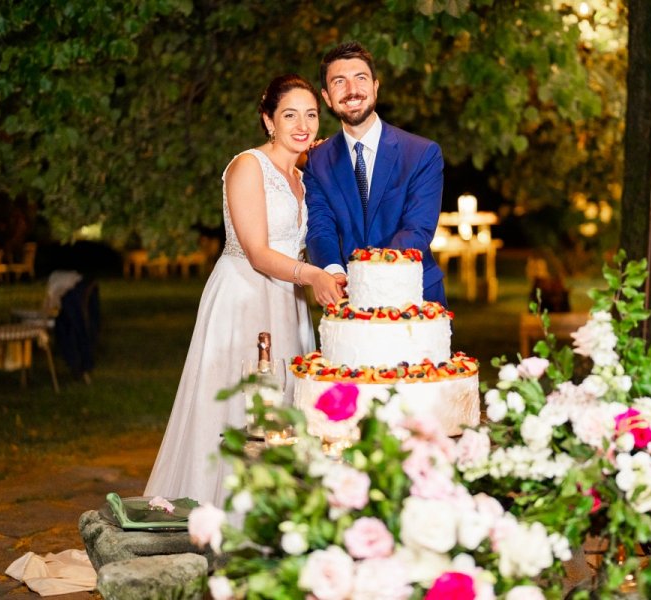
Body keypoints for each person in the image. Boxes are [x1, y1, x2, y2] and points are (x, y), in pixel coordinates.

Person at [144, 74, 344, 506]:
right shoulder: (247, 166)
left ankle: (269, 516)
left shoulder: (305, 180)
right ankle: (212, 514)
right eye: (289, 114)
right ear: (268, 120)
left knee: (281, 409)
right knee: (236, 404)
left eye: (311, 114)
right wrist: (312, 277)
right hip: (243, 297)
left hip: (286, 301)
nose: (302, 124)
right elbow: (256, 251)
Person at [304, 41, 447, 305]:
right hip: (348, 298)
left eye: (360, 78)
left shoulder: (422, 153)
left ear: (375, 87)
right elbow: (320, 227)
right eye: (339, 82)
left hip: (415, 294)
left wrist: (367, 275)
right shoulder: (317, 161)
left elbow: (417, 229)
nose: (352, 90)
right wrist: (334, 273)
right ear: (326, 97)